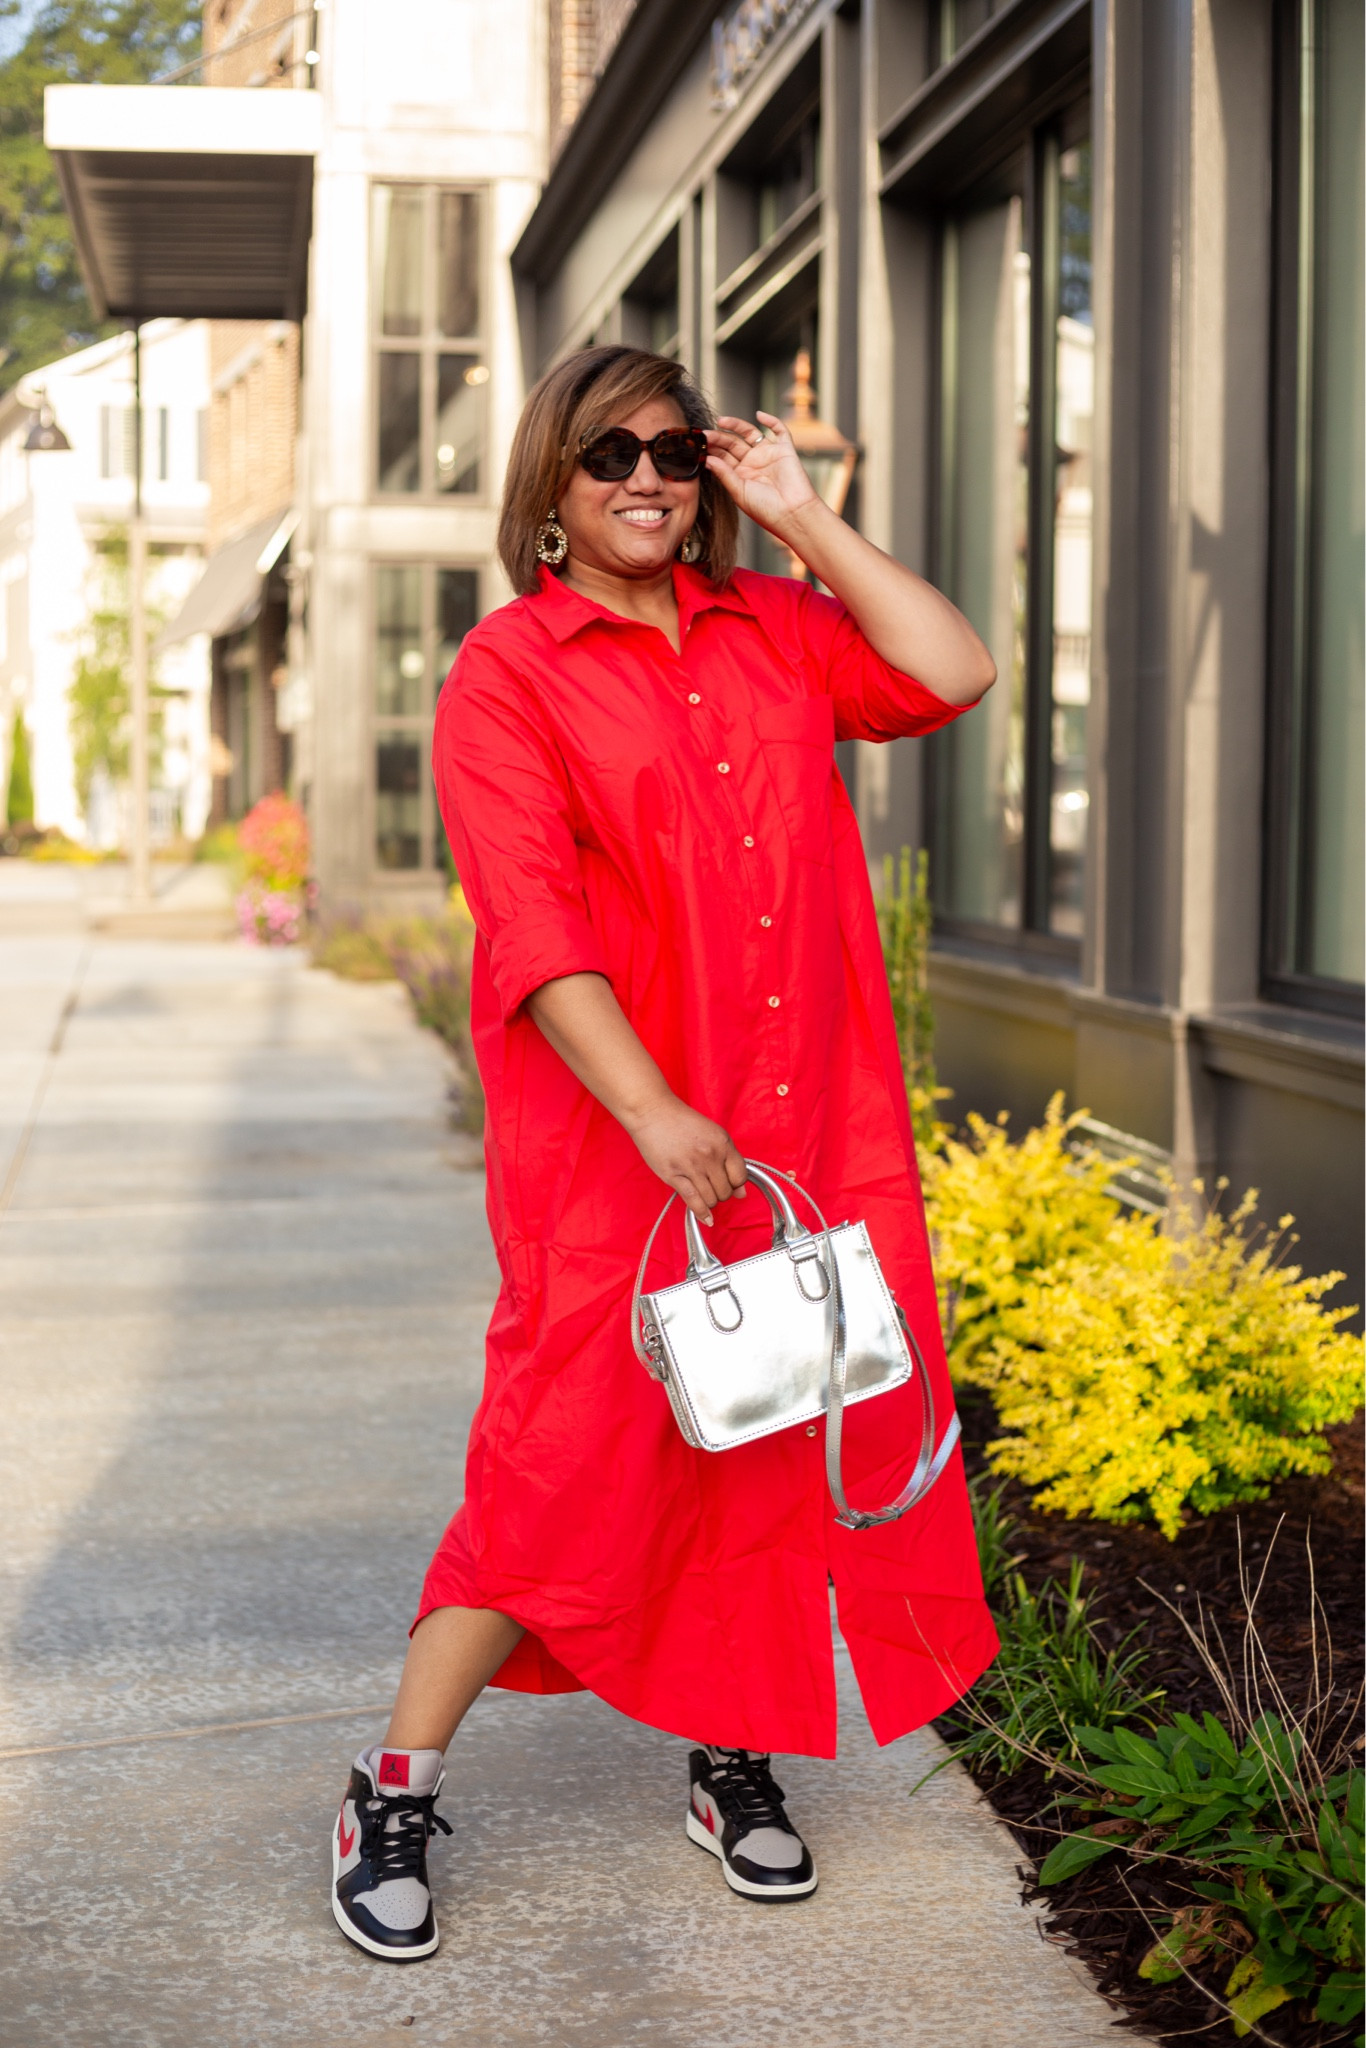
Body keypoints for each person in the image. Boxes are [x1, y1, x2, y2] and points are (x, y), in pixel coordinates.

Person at [330, 345, 1001, 1961]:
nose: (646, 477)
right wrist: (650, 1110)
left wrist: (801, 515)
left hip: (796, 1127)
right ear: (549, 489)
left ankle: (729, 1758)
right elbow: (533, 928)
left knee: (767, 1434)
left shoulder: (771, 627)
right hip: (619, 1141)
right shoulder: (510, 670)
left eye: (673, 453)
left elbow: (952, 670)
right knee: (558, 1463)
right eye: (607, 453)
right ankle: (393, 1785)